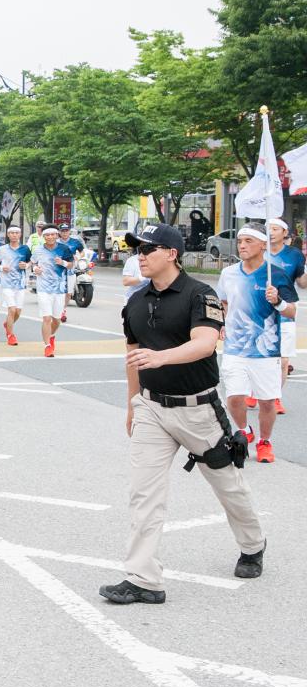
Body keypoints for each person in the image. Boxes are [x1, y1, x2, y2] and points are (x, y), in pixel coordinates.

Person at [98, 223, 265, 606]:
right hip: (152, 408)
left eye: (147, 249)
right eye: (136, 250)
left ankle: (253, 544)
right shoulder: (136, 301)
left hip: (198, 410)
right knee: (144, 494)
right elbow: (133, 355)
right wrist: (132, 402)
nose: (139, 255)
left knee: (229, 486)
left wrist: (162, 357)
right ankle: (144, 579)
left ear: (171, 253)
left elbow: (205, 344)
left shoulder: (199, 294)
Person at [216, 223, 297, 464]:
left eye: (248, 241)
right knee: (234, 397)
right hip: (234, 347)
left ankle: (265, 441)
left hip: (265, 350)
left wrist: (278, 301)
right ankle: (244, 431)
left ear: (263, 245)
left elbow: (292, 311)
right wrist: (221, 322)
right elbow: (223, 303)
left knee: (266, 401)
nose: (242, 245)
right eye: (240, 241)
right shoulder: (228, 274)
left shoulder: (276, 274)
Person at [267, 217, 305, 414]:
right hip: (260, 309)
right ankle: (251, 391)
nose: (271, 232)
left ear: (284, 233)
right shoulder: (259, 252)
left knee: (282, 360)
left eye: (275, 228)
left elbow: (303, 283)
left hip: (286, 307)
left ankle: (275, 398)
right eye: (268, 229)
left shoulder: (294, 255)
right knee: (258, 356)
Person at [30, 224, 73, 357]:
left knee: (57, 319)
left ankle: (52, 336)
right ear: (43, 237)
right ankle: (47, 346)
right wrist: (34, 269)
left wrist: (63, 263)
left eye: (52, 234)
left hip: (59, 289)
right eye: (47, 235)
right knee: (47, 318)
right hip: (43, 288)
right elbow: (33, 263)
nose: (50, 237)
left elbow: (72, 264)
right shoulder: (38, 250)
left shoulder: (64, 249)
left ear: (56, 235)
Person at [0, 226, 31, 346]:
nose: (14, 235)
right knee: (11, 309)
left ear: (20, 234)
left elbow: (30, 261)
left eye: (16, 233)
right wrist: (1, 267)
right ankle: (10, 335)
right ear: (8, 234)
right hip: (6, 284)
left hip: (20, 284)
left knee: (17, 312)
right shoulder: (2, 249)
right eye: (11, 233)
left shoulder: (25, 249)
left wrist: (26, 265)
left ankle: (8, 324)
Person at [59, 223, 85, 323]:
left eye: (66, 231)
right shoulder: (56, 242)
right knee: (60, 292)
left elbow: (82, 251)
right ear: (59, 232)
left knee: (68, 292)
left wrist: (78, 256)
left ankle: (63, 310)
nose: (65, 233)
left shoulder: (75, 242)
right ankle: (59, 310)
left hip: (70, 270)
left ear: (69, 231)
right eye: (63, 231)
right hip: (58, 270)